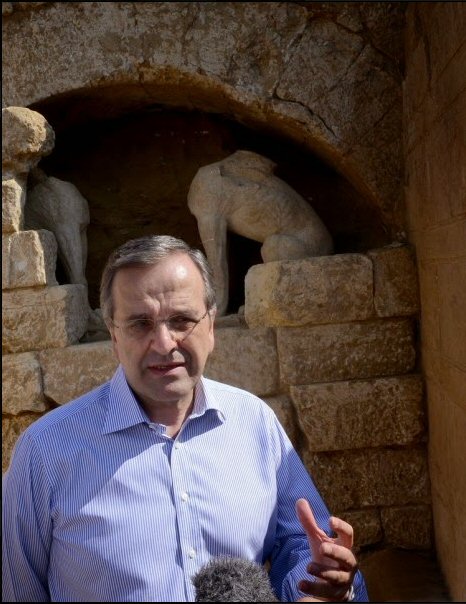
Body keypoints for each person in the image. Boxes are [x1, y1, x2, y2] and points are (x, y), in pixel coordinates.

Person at [2, 235, 369, 603]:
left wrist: (325, 579)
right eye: (140, 324)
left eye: (181, 320)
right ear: (114, 336)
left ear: (210, 325)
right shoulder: (46, 452)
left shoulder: (253, 423)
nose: (164, 344)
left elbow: (304, 547)